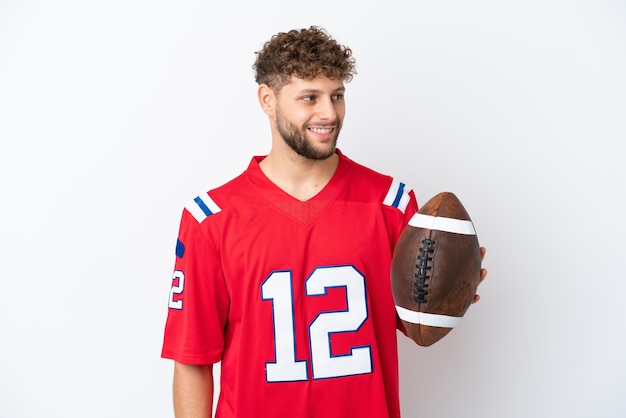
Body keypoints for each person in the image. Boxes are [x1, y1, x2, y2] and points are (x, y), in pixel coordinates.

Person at [161, 26, 486, 418]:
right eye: (309, 98)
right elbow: (193, 358)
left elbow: (416, 329)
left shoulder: (390, 203)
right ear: (268, 99)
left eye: (337, 96)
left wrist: (446, 292)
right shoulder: (211, 218)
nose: (329, 113)